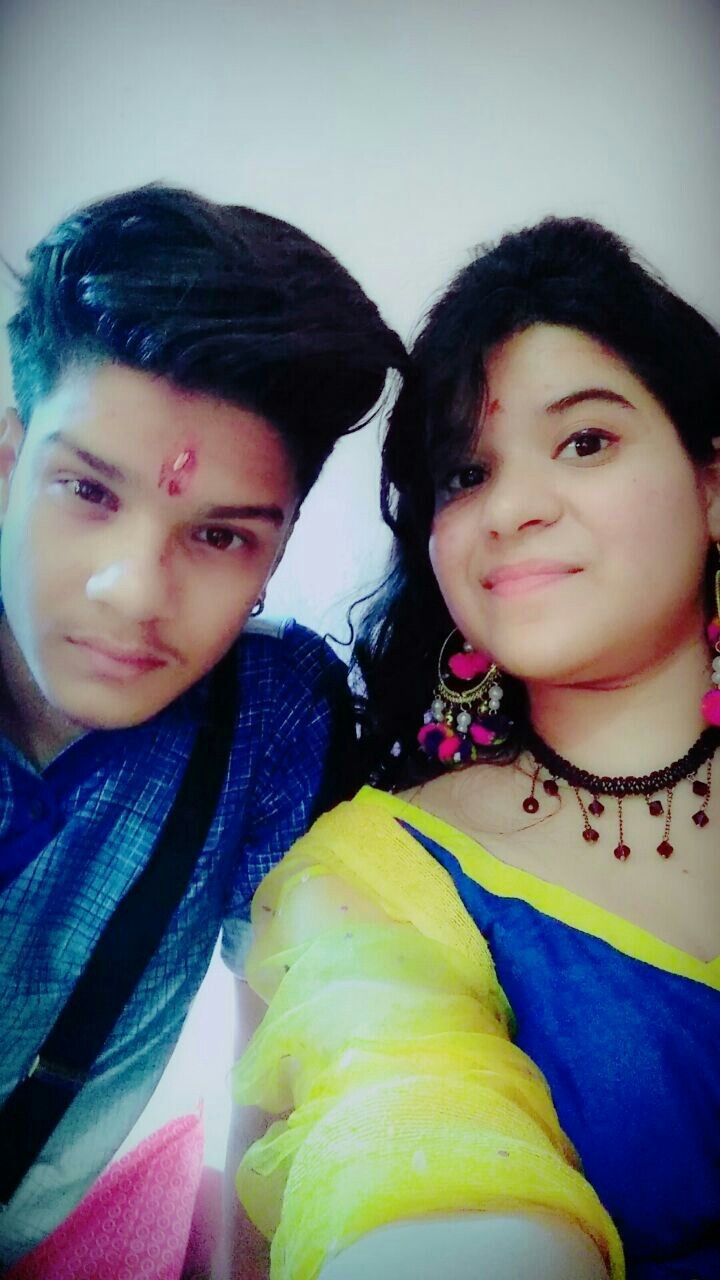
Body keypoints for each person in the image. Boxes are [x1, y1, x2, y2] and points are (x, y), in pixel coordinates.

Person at [232, 218, 720, 1280]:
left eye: (584, 442)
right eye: (464, 473)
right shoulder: (371, 874)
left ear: (712, 484)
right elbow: (405, 1127)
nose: (510, 508)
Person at [0, 182, 405, 1270]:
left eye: (220, 536)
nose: (134, 590)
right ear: (7, 462)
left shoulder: (272, 722)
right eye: (88, 491)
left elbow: (279, 1068)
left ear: (279, 549)